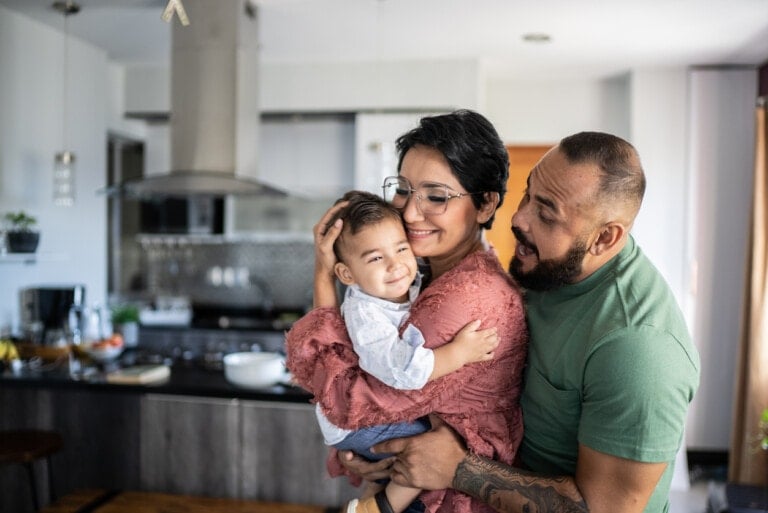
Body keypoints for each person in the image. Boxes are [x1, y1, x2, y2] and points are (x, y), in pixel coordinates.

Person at [361, 131, 701, 513]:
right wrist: (378, 451)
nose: (518, 218)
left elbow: (604, 509)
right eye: (527, 194)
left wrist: (457, 469)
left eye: (546, 213)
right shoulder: (547, 269)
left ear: (605, 238)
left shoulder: (639, 348)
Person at [285, 109, 529, 513]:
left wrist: (324, 276)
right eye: (403, 189)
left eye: (436, 196)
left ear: (485, 204)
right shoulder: (423, 275)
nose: (410, 213)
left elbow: (347, 402)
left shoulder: (462, 299)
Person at [311, 189, 500, 513]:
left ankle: (378, 493)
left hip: (361, 415)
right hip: (357, 422)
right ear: (346, 274)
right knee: (431, 444)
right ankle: (379, 507)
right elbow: (403, 370)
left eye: (401, 248)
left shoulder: (400, 287)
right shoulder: (365, 315)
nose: (395, 265)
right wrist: (460, 353)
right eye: (376, 258)